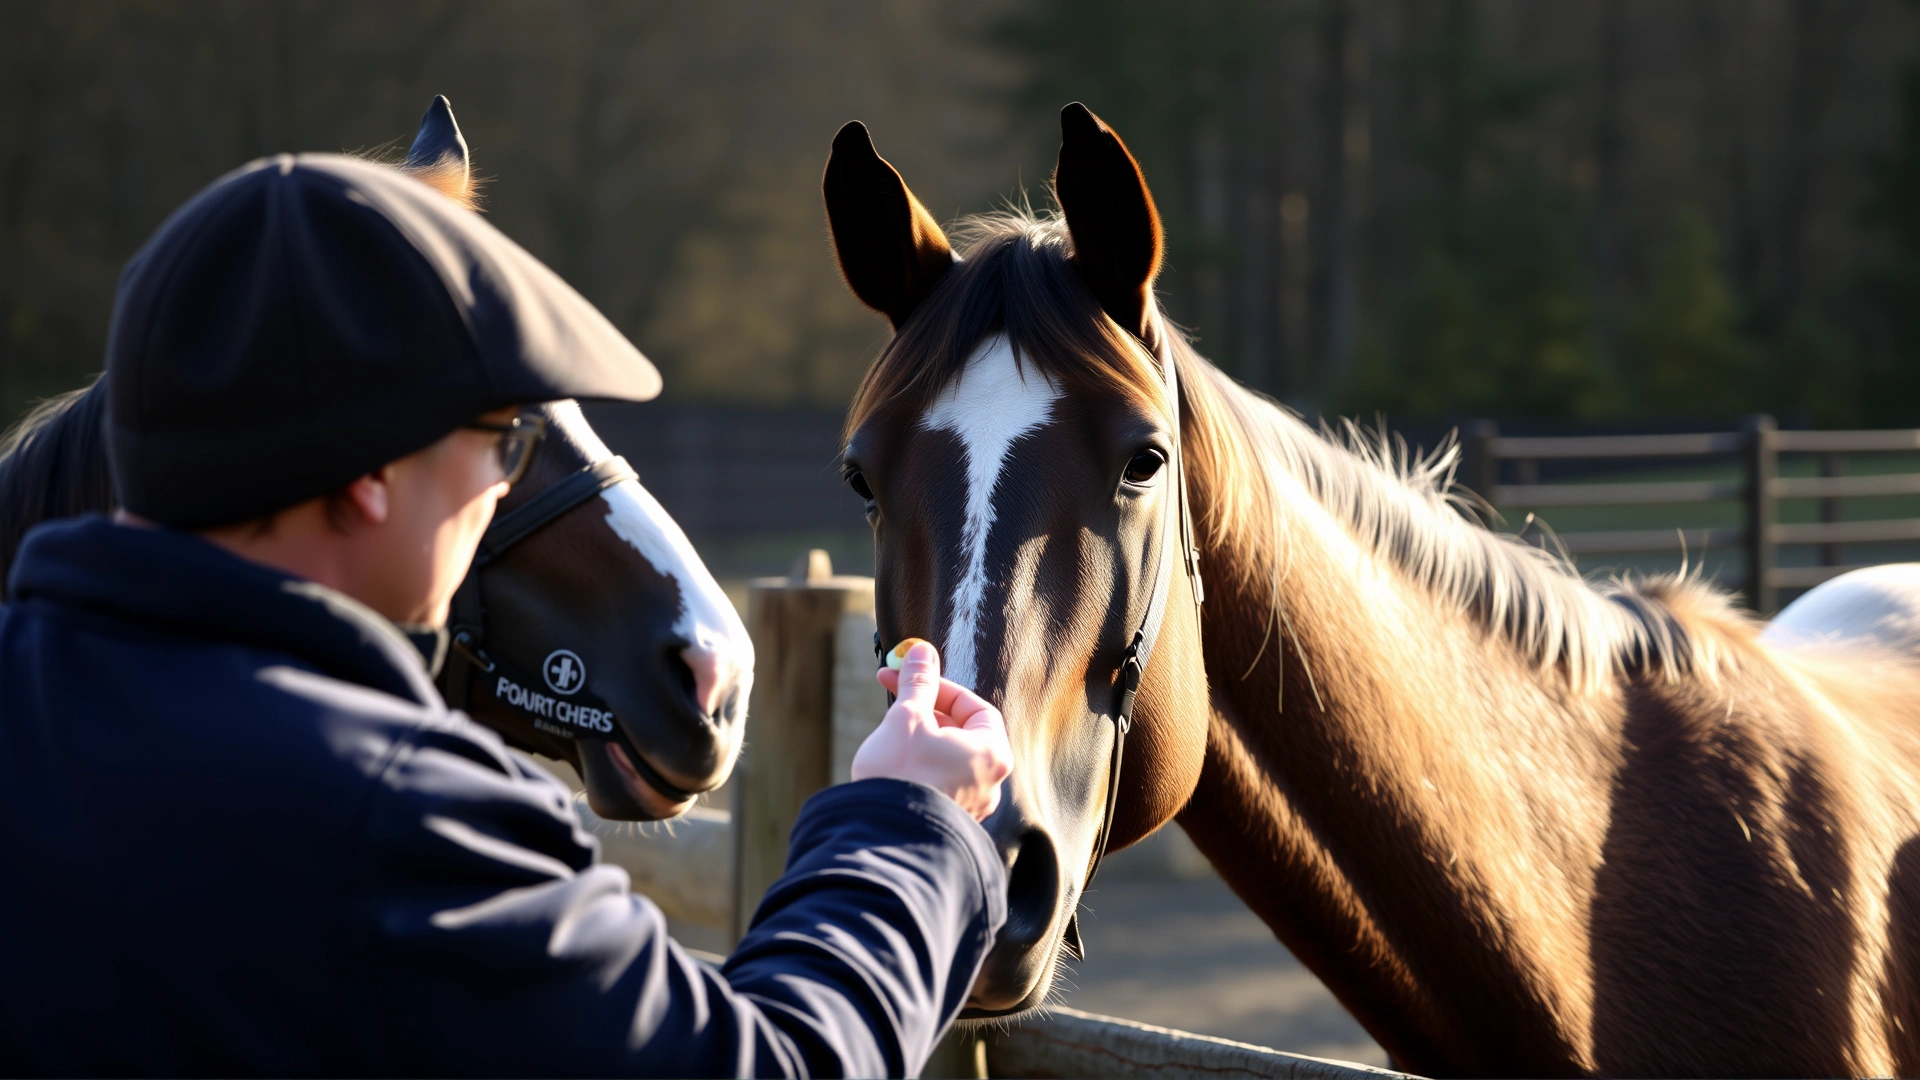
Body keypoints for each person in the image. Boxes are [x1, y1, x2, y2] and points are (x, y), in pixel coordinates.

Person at [0, 154, 1012, 1076]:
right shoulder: (395, 825)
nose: (498, 487)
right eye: (504, 447)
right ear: (370, 475)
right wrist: (906, 825)